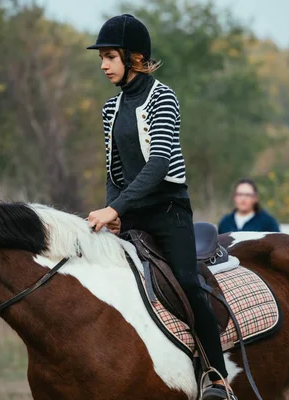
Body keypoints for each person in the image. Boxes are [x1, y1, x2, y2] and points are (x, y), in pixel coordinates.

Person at [85, 14, 236, 400]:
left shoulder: (162, 97)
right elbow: (113, 171)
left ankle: (216, 377)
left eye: (110, 56)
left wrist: (114, 210)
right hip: (128, 212)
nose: (103, 65)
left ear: (134, 58)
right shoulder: (109, 109)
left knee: (187, 282)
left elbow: (159, 165)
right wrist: (112, 212)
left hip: (169, 211)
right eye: (102, 57)